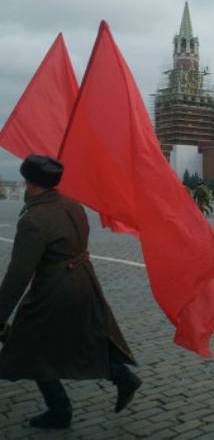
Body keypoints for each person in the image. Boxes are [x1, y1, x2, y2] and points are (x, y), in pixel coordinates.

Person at [0, 155, 141, 429]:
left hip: (54, 290)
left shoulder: (34, 219)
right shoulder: (73, 206)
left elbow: (19, 275)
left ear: (29, 182)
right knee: (85, 337)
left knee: (33, 346)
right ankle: (122, 377)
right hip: (83, 281)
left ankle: (60, 410)